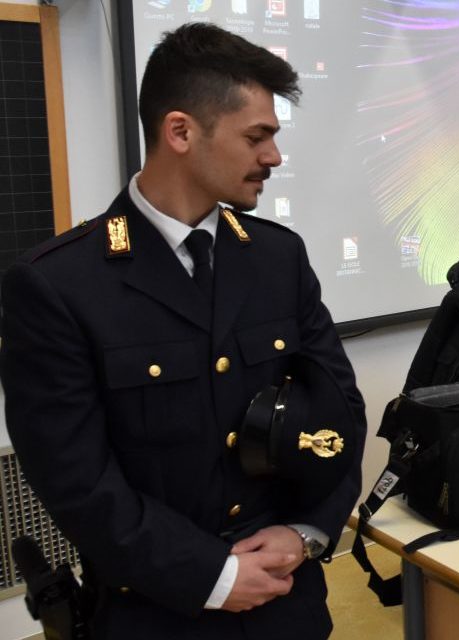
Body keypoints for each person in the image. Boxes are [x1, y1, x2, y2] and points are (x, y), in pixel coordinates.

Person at [0, 23, 366, 640]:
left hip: (287, 602)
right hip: (158, 611)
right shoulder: (60, 286)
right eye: (257, 137)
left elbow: (340, 413)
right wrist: (213, 576)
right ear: (179, 132)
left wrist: (307, 532)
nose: (273, 157)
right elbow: (77, 483)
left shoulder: (278, 258)